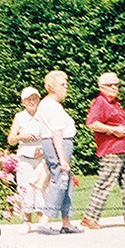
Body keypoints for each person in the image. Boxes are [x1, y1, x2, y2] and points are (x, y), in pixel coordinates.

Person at [80, 71, 125, 229]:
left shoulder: (115, 103)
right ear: (102, 87)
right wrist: (113, 130)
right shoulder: (100, 102)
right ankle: (90, 217)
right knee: (105, 184)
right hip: (111, 151)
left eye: (116, 85)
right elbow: (92, 123)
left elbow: (118, 116)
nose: (114, 88)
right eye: (110, 85)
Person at [33, 69, 79, 234]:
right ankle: (44, 222)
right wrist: (62, 159)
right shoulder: (53, 106)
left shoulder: (45, 105)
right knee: (60, 179)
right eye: (62, 84)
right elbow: (56, 133)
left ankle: (66, 221)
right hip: (58, 144)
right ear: (52, 87)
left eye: (66, 84)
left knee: (65, 181)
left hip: (51, 144)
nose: (66, 87)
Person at [7, 86, 48, 230]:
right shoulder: (20, 117)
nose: (32, 102)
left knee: (42, 187)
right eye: (28, 99)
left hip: (42, 157)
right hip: (25, 157)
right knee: (25, 188)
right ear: (23, 102)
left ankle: (41, 222)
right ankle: (27, 222)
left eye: (35, 98)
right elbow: (11, 139)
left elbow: (52, 136)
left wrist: (43, 149)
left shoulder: (44, 115)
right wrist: (20, 137)